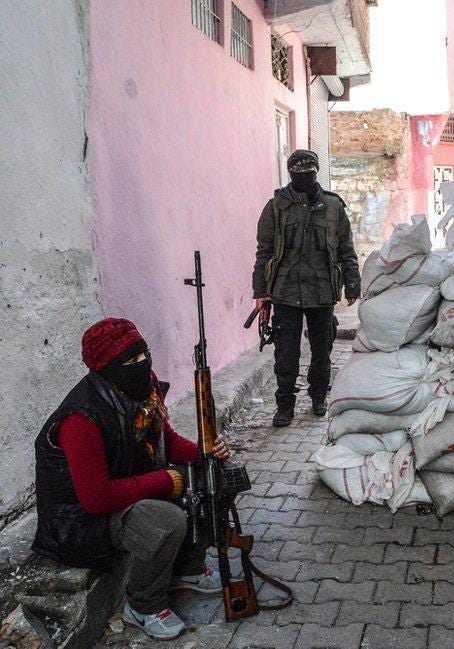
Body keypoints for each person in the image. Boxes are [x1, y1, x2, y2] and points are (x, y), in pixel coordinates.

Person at [33, 318, 233, 640]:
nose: (142, 365)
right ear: (108, 366)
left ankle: (187, 569)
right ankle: (143, 605)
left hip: (122, 486)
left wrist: (204, 454)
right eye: (131, 360)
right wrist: (166, 481)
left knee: (206, 478)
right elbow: (96, 497)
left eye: (145, 355)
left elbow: (165, 437)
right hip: (77, 523)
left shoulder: (142, 386)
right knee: (164, 519)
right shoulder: (81, 417)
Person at [252, 149, 361, 427]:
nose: (304, 178)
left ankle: (318, 396)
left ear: (316, 173)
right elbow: (264, 253)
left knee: (322, 348)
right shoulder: (276, 207)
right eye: (299, 174)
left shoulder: (334, 207)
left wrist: (352, 283)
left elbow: (346, 249)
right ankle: (284, 403)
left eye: (309, 174)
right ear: (291, 174)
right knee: (286, 353)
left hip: (322, 291)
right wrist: (261, 294)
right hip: (285, 291)